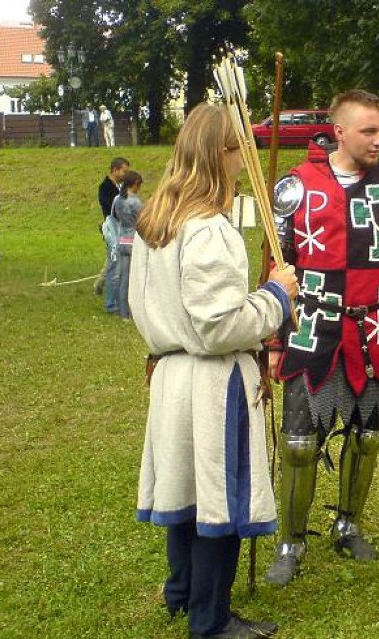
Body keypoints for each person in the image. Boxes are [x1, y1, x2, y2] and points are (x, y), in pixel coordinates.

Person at [264, 89, 379, 587]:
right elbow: (275, 267)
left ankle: (348, 523)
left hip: (377, 328)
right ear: (339, 131)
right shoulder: (297, 187)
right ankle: (291, 542)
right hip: (315, 326)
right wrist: (273, 338)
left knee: (368, 436)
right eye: (369, 131)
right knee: (300, 443)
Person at [130, 103, 298, 639]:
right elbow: (220, 327)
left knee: (186, 491)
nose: (243, 163)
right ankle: (210, 620)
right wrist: (277, 296)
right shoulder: (208, 230)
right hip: (209, 381)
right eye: (238, 151)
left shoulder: (158, 220)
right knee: (218, 498)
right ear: (221, 154)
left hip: (173, 376)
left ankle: (183, 593)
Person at [95, 157, 131, 309]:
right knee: (115, 261)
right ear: (115, 170)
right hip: (112, 229)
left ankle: (100, 282)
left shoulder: (122, 186)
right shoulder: (105, 187)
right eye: (124, 171)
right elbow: (111, 208)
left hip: (124, 228)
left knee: (113, 260)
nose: (126, 174)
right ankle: (112, 303)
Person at [113, 170, 143, 319]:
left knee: (123, 277)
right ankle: (133, 311)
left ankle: (122, 311)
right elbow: (142, 222)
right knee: (134, 278)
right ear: (135, 183)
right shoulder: (136, 202)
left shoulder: (117, 199)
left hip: (121, 240)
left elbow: (114, 217)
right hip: (133, 242)